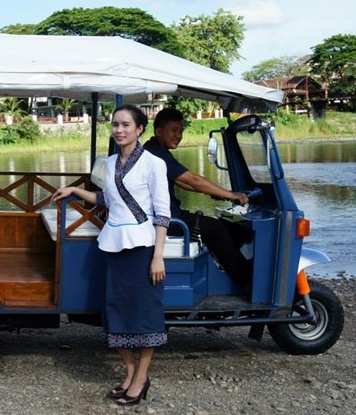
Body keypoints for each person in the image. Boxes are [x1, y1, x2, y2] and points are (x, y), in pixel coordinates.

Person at [51, 105, 170, 406]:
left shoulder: (153, 164)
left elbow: (162, 215)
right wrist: (75, 192)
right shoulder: (110, 162)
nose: (119, 130)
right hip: (115, 246)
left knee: (143, 314)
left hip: (143, 248)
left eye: (126, 125)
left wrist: (158, 256)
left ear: (140, 128)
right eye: (115, 124)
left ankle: (141, 378)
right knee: (116, 311)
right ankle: (130, 374)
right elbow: (106, 199)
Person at [143, 107, 253, 290]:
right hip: (166, 220)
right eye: (174, 130)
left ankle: (226, 265)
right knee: (217, 229)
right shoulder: (157, 155)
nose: (178, 135)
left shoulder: (154, 149)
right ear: (159, 131)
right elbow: (193, 181)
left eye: (181, 131)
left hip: (168, 215)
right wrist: (231, 195)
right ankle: (246, 283)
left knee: (232, 228)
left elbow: (181, 181)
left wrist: (215, 192)